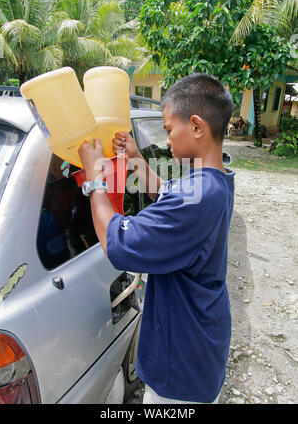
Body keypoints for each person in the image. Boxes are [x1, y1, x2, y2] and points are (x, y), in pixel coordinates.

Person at [78, 73, 235, 404]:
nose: (166, 141)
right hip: (201, 341)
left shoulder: (200, 195)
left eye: (167, 130)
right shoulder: (212, 180)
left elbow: (118, 244)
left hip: (181, 371)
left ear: (196, 126)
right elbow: (169, 192)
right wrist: (136, 160)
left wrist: (94, 179)